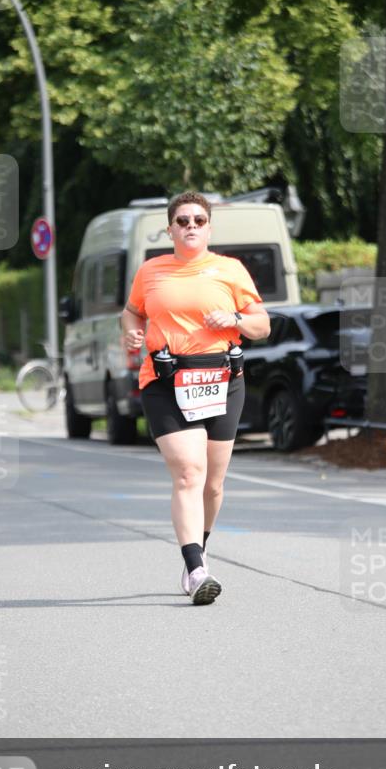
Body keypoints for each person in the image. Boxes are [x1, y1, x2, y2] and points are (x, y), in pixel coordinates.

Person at [121, 191, 270, 605]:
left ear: (209, 228)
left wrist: (235, 318)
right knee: (189, 472)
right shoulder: (151, 271)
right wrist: (131, 332)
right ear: (170, 229)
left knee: (213, 484)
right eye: (183, 221)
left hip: (222, 380)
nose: (190, 227)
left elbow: (262, 326)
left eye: (198, 221)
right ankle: (197, 569)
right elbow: (132, 311)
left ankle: (197, 556)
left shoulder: (230, 270)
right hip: (166, 381)